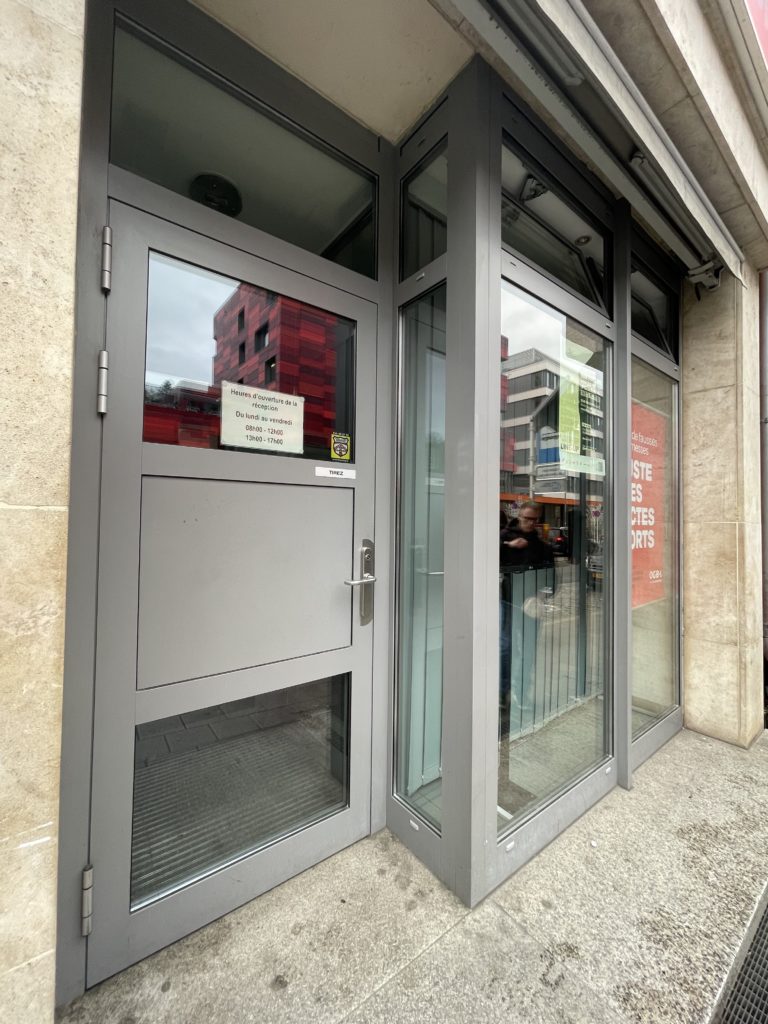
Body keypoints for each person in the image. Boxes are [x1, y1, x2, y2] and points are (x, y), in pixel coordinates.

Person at [499, 501, 553, 733]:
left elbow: (551, 578)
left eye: (533, 519)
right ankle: (503, 692)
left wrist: (540, 597)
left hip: (531, 608)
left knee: (528, 651)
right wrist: (508, 544)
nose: (529, 523)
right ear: (519, 516)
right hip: (509, 603)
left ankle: (521, 692)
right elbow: (485, 553)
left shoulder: (542, 546)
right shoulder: (505, 537)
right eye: (526, 518)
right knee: (506, 648)